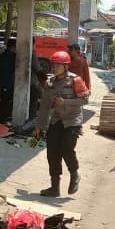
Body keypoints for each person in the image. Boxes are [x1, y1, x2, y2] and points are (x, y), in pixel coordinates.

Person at [34, 50, 90, 197]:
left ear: (66, 66)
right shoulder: (50, 83)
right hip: (55, 120)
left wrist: (66, 102)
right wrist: (39, 127)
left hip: (72, 121)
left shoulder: (75, 80)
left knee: (66, 149)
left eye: (58, 65)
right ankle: (54, 187)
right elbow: (45, 106)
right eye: (53, 65)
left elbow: (85, 100)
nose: (54, 68)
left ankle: (74, 175)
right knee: (52, 153)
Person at [0, 39, 17, 124]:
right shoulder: (11, 56)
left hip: (4, 82)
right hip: (7, 82)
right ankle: (4, 120)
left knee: (5, 101)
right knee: (6, 102)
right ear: (13, 46)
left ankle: (4, 119)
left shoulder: (3, 55)